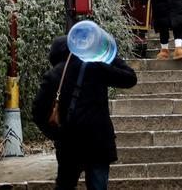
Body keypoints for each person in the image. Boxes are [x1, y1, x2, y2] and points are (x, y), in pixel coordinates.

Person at [33, 33, 138, 190]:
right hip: (98, 141)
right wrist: (108, 52)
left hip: (69, 143)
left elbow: (37, 111)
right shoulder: (96, 66)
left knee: (65, 185)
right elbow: (130, 78)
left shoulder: (53, 75)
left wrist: (55, 134)